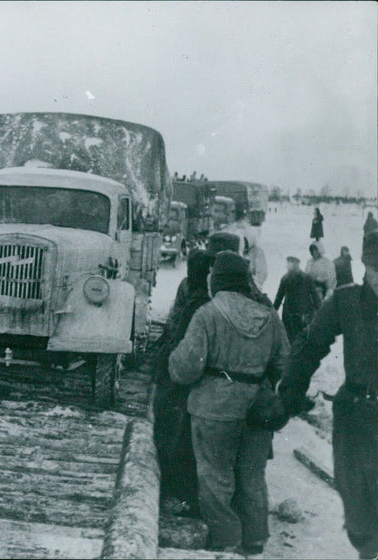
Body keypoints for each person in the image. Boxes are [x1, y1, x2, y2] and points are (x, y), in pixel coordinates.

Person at [169, 251, 290, 554]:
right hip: (256, 411)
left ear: (218, 281)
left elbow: (186, 368)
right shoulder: (270, 316)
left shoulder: (208, 314)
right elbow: (284, 364)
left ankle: (225, 540)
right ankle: (255, 538)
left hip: (213, 409)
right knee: (252, 475)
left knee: (214, 476)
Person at [279, 231, 378, 560]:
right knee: (359, 513)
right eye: (377, 269)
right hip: (357, 418)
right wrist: (292, 386)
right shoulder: (346, 300)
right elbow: (311, 343)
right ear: (366, 267)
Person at [153, 249, 214, 516]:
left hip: (184, 385)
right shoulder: (203, 300)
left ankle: (175, 493)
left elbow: (182, 345)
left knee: (175, 438)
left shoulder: (199, 304)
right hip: (193, 384)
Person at [273, 256, 321, 343]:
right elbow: (279, 298)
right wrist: (272, 312)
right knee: (290, 342)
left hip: (304, 317)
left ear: (297, 264)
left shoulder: (306, 278)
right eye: (288, 262)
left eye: (291, 262)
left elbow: (315, 297)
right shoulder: (285, 279)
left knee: (304, 342)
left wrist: (320, 313)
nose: (289, 265)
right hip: (289, 317)